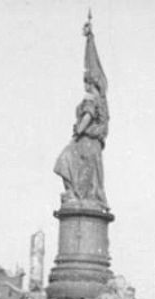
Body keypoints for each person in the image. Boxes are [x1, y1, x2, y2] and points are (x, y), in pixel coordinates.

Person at [54, 19, 110, 211]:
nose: (85, 83)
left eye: (88, 81)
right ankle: (75, 194)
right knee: (75, 167)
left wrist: (79, 130)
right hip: (88, 144)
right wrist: (89, 40)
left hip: (86, 142)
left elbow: (87, 116)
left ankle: (76, 194)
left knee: (65, 160)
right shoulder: (98, 101)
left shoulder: (92, 100)